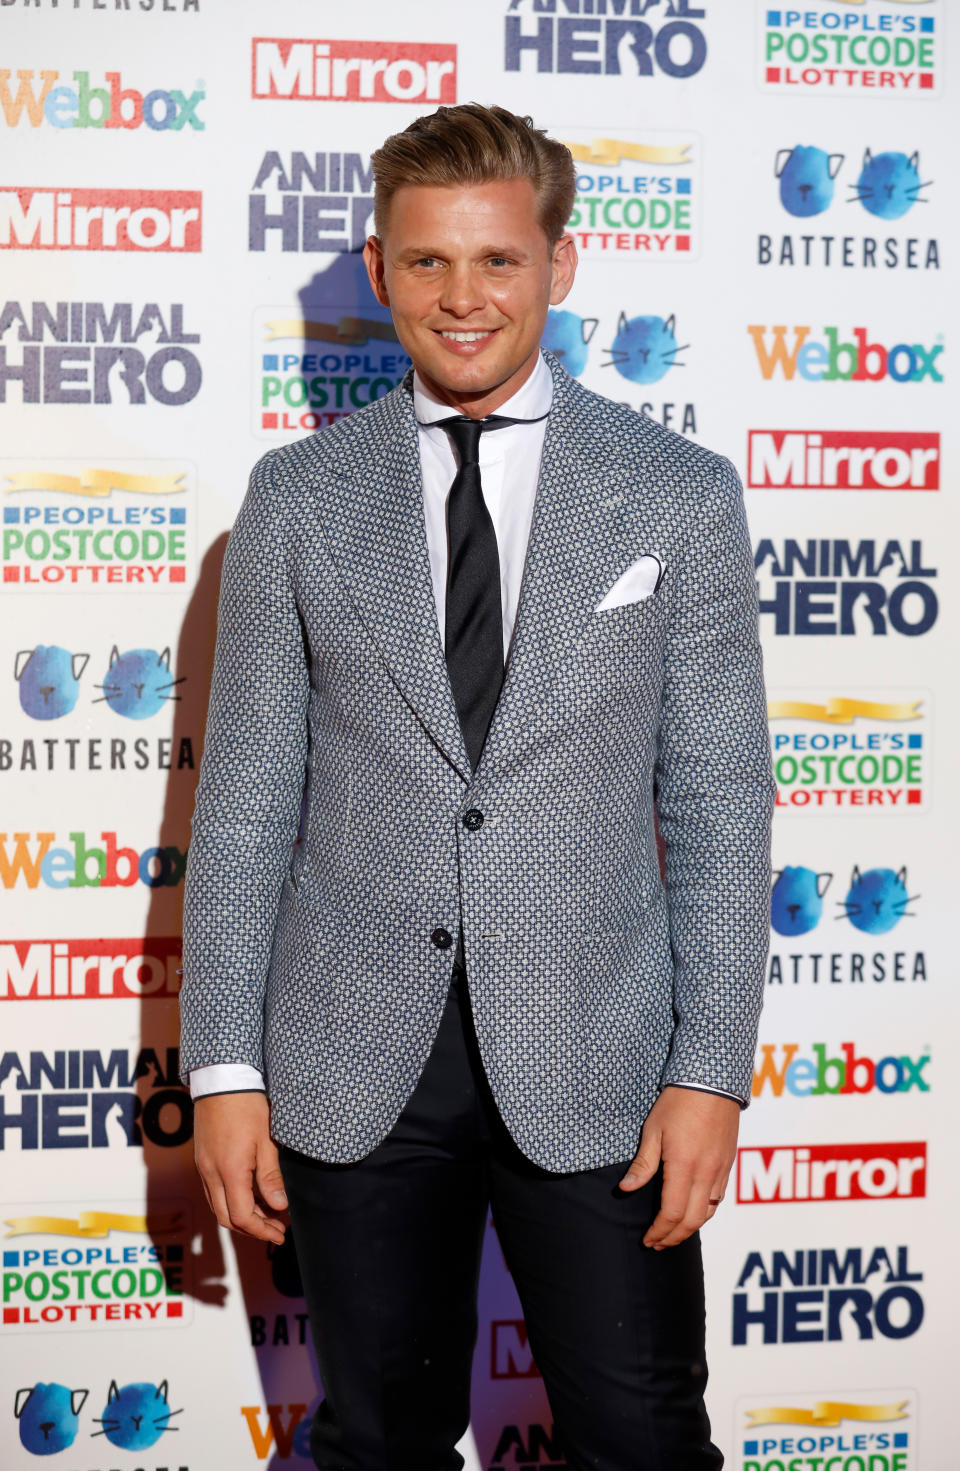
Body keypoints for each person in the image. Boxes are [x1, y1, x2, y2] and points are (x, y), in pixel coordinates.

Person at [179, 103, 775, 1471]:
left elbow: (722, 801)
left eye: (498, 261)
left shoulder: (678, 494)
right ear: (380, 267)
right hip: (348, 1061)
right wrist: (223, 1067)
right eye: (429, 262)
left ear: (559, 265)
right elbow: (253, 794)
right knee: (380, 1440)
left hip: (601, 1059)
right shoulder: (295, 497)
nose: (464, 298)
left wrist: (712, 1074)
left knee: (643, 1435)